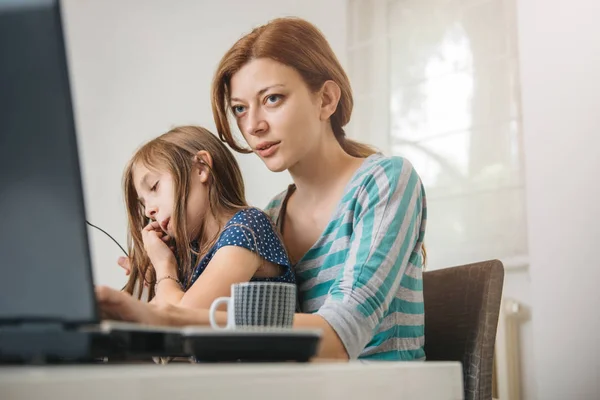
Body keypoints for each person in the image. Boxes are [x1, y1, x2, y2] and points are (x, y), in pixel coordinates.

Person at [100, 17, 426, 361]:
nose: (253, 126)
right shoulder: (271, 215)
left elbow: (340, 338)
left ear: (326, 99)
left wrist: (167, 315)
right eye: (240, 108)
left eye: (272, 99)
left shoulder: (386, 181)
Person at [119, 125, 294, 309]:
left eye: (154, 187)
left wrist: (164, 266)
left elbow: (181, 316)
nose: (148, 211)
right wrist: (148, 277)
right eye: (143, 203)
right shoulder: (193, 254)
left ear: (201, 168)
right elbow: (149, 320)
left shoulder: (247, 228)